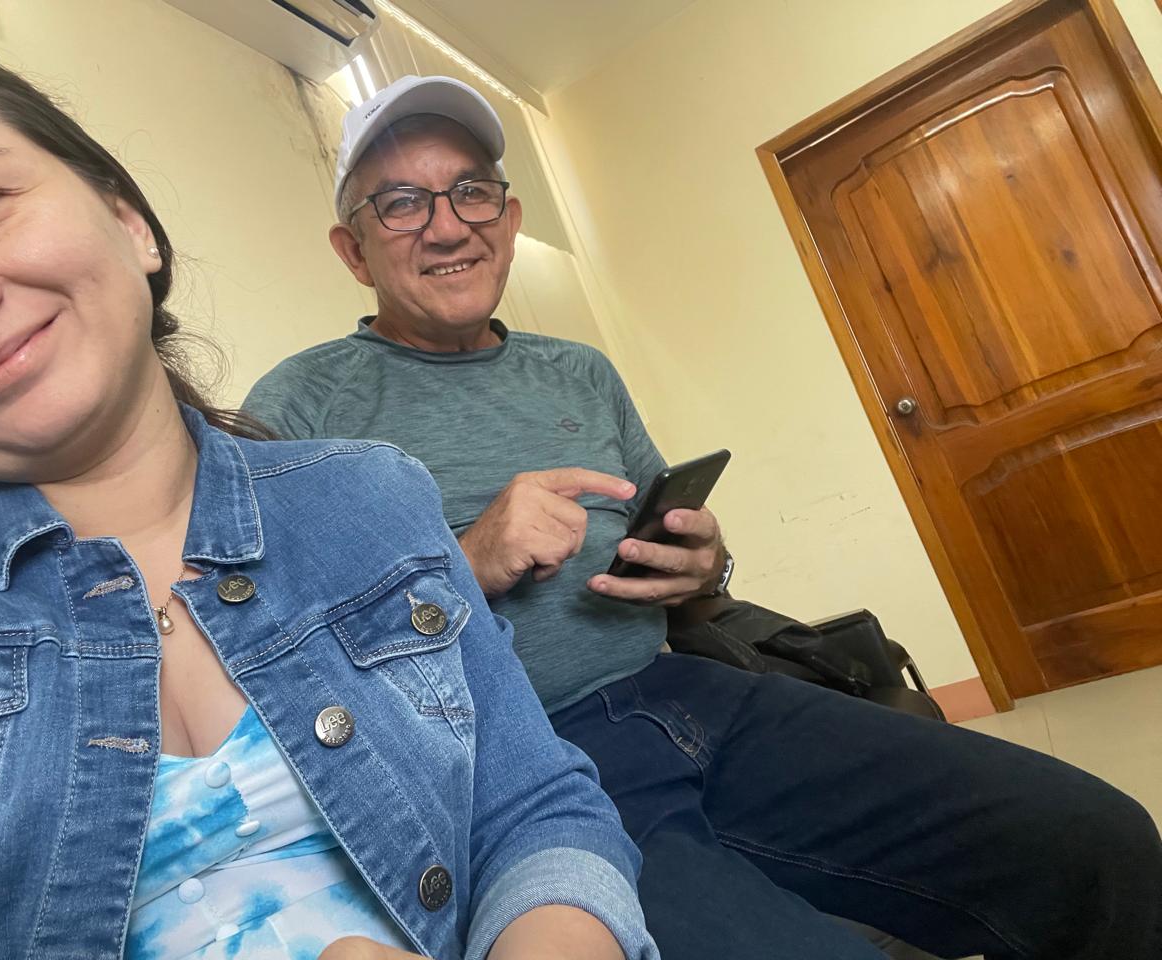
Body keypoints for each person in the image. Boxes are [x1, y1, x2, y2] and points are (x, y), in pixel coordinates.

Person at [244, 74, 1162, 960]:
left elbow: (675, 553)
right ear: (353, 251)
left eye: (472, 192)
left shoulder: (580, 372)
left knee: (1102, 843)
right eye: (402, 204)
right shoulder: (298, 408)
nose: (449, 226)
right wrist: (466, 562)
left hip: (690, 692)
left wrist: (700, 564)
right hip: (530, 772)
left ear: (510, 219)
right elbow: (266, 656)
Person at [0, 28, 660, 960]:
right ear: (353, 250)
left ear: (130, 222)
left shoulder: (378, 484)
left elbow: (533, 806)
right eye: (401, 204)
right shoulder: (310, 393)